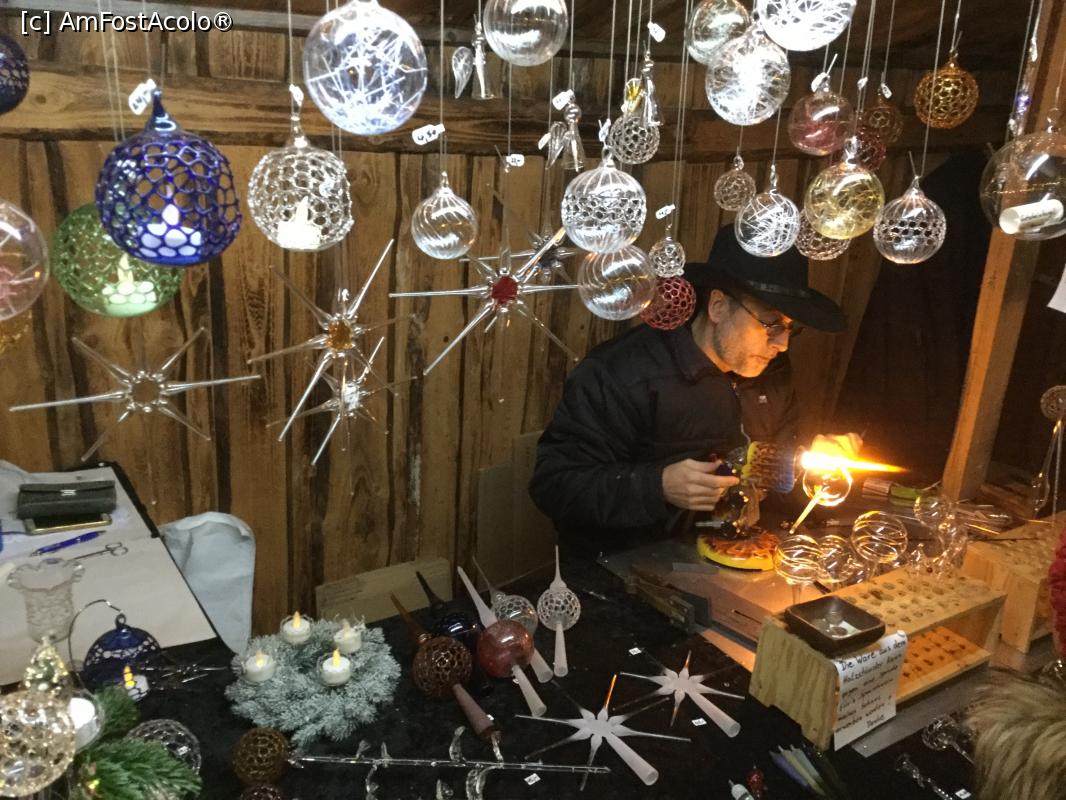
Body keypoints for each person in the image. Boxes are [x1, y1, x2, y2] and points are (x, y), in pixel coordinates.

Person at [529, 224, 849, 555]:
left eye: (790, 329)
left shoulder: (773, 372)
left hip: (732, 557)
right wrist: (658, 486)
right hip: (623, 565)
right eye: (770, 324)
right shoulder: (622, 373)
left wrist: (814, 467)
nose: (781, 345)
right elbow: (554, 486)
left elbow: (778, 478)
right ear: (718, 306)